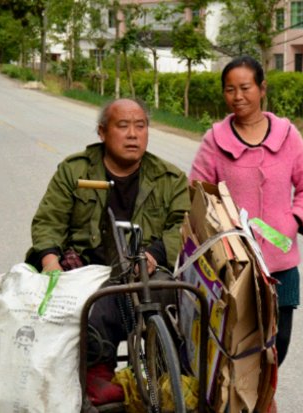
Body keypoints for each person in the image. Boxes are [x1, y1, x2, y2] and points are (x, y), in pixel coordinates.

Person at [25, 98, 190, 407]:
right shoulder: (75, 171)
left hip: (143, 267)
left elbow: (180, 224)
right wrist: (49, 260)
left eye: (140, 126)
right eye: (123, 126)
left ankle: (165, 373)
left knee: (171, 293)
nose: (133, 134)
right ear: (102, 132)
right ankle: (98, 374)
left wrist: (156, 254)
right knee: (94, 302)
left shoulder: (170, 178)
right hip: (87, 269)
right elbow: (49, 220)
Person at [189, 56, 303, 408]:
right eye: (230, 89)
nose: (238, 96)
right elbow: (199, 195)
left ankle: (260, 400)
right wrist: (223, 235)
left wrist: (292, 222)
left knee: (278, 347)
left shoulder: (288, 136)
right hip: (235, 268)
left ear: (262, 90)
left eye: (245, 88)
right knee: (238, 349)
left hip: (280, 264)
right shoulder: (214, 141)